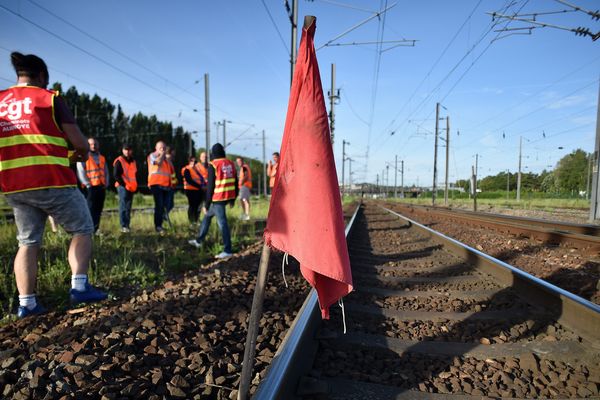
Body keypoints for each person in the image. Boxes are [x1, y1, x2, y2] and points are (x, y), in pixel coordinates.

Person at [0, 52, 106, 318]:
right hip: (51, 179)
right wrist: (72, 156)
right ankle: (79, 287)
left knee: (28, 241)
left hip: (14, 184)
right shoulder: (49, 98)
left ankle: (27, 304)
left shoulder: (1, 102)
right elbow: (81, 144)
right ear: (42, 76)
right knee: (82, 227)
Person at [188, 143, 238, 258]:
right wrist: (233, 199)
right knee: (207, 217)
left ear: (213, 153)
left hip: (218, 198)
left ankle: (228, 250)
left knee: (222, 223)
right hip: (227, 196)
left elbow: (210, 187)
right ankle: (199, 240)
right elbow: (235, 181)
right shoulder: (230, 163)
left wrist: (206, 204)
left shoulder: (214, 165)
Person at [77, 137, 109, 233]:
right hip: (90, 188)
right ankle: (89, 229)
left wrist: (106, 183)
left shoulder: (102, 158)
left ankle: (96, 228)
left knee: (98, 209)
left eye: (95, 144)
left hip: (101, 187)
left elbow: (106, 171)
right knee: (90, 209)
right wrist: (87, 184)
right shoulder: (83, 157)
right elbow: (81, 172)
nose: (93, 146)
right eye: (91, 144)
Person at [147, 141, 171, 233]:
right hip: (155, 184)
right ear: (156, 148)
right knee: (159, 205)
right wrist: (162, 154)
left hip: (165, 186)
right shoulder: (152, 155)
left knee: (166, 205)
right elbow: (158, 163)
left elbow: (168, 172)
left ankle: (161, 224)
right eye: (161, 148)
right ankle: (158, 226)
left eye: (164, 148)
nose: (163, 150)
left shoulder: (166, 159)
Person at [113, 143, 137, 233]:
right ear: (122, 150)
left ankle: (127, 225)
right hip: (122, 187)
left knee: (128, 207)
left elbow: (134, 175)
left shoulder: (133, 161)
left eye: (128, 149)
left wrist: (132, 185)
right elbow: (116, 175)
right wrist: (124, 184)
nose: (127, 151)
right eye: (125, 149)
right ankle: (123, 226)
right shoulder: (119, 161)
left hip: (131, 187)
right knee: (123, 206)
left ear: (131, 150)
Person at [181, 155, 206, 225]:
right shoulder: (186, 169)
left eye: (195, 161)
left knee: (197, 206)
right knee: (192, 206)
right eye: (192, 161)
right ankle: (191, 220)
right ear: (189, 161)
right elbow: (189, 180)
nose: (194, 163)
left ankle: (196, 219)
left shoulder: (197, 170)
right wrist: (200, 186)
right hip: (190, 190)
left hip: (197, 190)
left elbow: (201, 179)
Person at [164, 146, 177, 226]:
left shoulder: (170, 161)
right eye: (173, 152)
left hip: (171, 185)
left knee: (170, 204)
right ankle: (163, 216)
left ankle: (164, 216)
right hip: (168, 185)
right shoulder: (167, 160)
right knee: (168, 204)